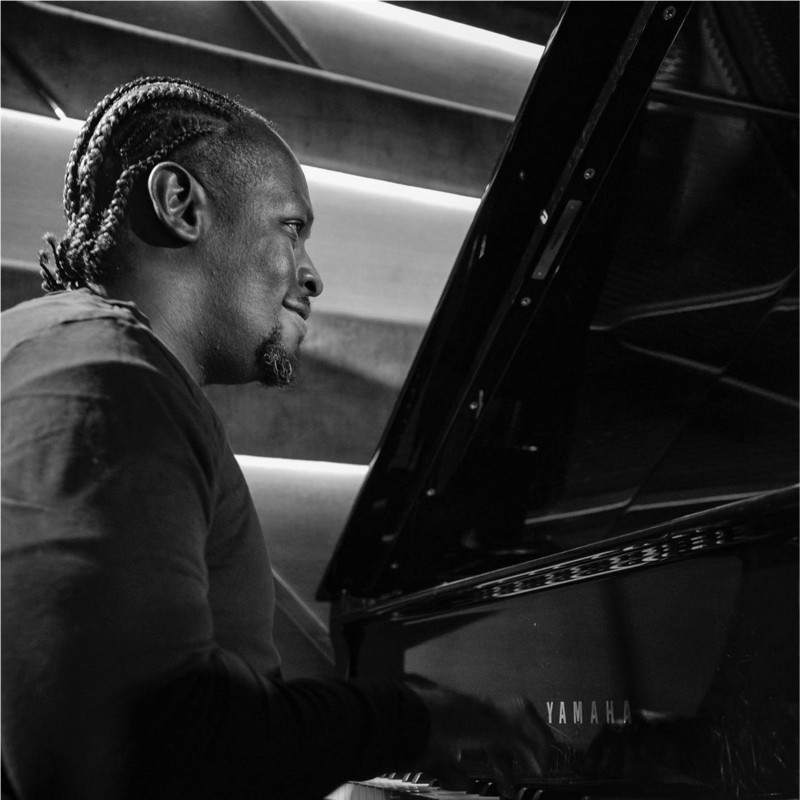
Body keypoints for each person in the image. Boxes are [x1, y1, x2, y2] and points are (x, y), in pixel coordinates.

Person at [1, 77, 551, 800]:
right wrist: (416, 719)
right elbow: (135, 754)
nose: (312, 277)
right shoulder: (103, 377)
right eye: (292, 227)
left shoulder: (90, 363)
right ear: (180, 204)